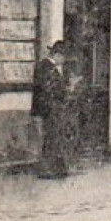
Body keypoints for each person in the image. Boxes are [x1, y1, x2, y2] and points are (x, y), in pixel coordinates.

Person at [32, 40, 79, 179]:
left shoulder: (44, 67)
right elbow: (51, 90)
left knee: (53, 138)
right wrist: (69, 88)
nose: (64, 61)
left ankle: (55, 169)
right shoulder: (47, 68)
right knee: (52, 138)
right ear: (58, 55)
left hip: (48, 109)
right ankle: (49, 170)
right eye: (63, 57)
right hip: (49, 109)